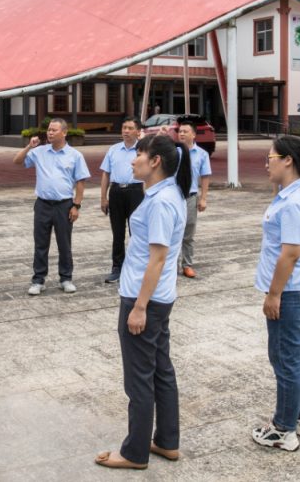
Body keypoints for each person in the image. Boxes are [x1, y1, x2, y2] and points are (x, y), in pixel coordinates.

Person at [95, 134, 191, 470]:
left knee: (139, 377)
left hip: (144, 297)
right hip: (157, 296)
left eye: (139, 153)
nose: (132, 159)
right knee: (160, 368)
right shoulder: (165, 193)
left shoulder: (162, 201)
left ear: (155, 162)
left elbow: (158, 258)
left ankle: (135, 452)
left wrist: (138, 307)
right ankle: (166, 441)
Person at [251, 136, 300, 452]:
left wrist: (274, 294)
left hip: (290, 291)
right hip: (297, 289)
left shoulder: (295, 202)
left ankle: (284, 429)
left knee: (286, 360)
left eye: (271, 157)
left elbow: (290, 253)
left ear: (288, 161)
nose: (266, 163)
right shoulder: (290, 195)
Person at [14, 118, 90, 295]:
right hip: (42, 204)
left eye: (54, 130)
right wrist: (28, 147)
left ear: (64, 133)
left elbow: (81, 182)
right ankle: (38, 280)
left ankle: (66, 278)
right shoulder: (39, 152)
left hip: (64, 205)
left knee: (64, 243)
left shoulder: (75, 155)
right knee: (41, 243)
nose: (50, 133)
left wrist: (76, 206)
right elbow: (17, 161)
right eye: (48, 130)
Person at [100, 117, 144, 283]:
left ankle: (136, 267)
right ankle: (117, 267)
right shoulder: (113, 149)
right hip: (117, 191)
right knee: (117, 232)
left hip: (137, 192)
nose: (126, 131)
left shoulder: (143, 150)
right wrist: (103, 197)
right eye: (124, 127)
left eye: (130, 128)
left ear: (138, 132)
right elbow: (106, 174)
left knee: (137, 232)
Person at [176, 121, 211, 278]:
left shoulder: (202, 154)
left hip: (190, 196)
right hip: (174, 196)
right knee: (173, 230)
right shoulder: (174, 152)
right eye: (180, 131)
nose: (181, 134)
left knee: (188, 232)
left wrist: (203, 198)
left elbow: (205, 177)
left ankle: (187, 264)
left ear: (194, 135)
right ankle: (171, 265)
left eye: (185, 131)